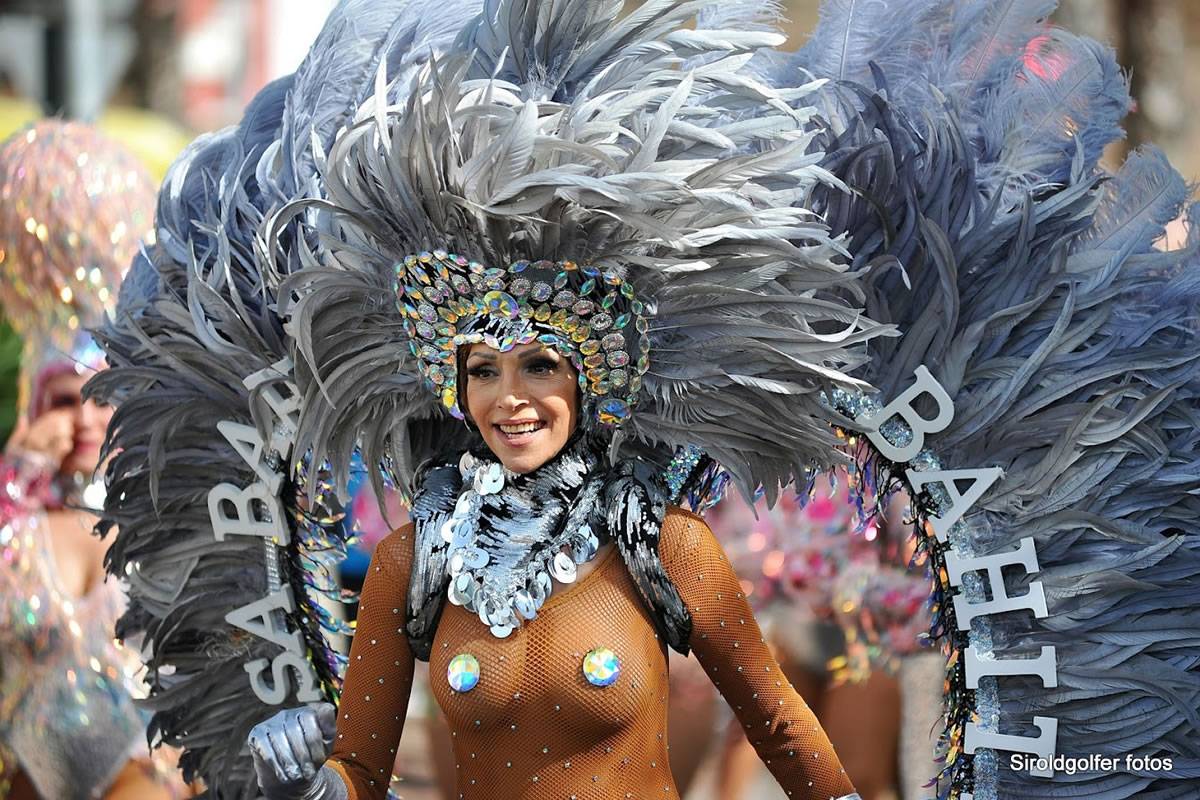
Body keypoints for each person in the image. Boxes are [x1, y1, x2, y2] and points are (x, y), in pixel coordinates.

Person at [0, 121, 188, 800]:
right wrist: (14, 478)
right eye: (62, 400)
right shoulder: (21, 528)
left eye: (101, 398)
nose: (83, 419)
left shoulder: (165, 519)